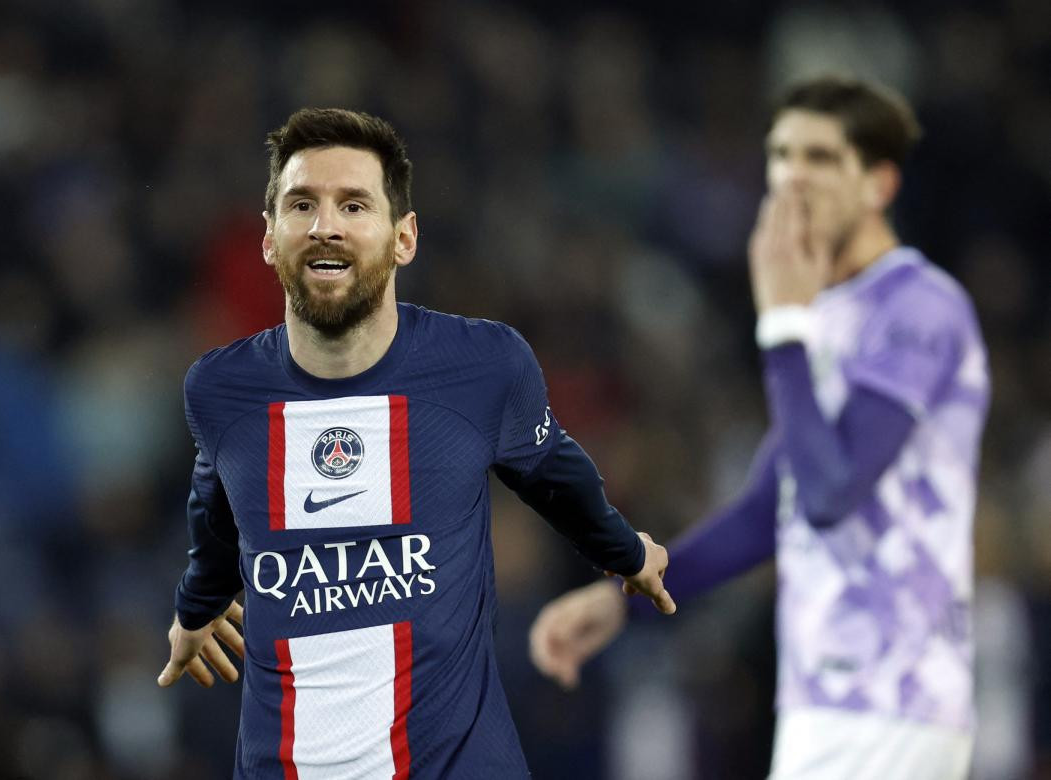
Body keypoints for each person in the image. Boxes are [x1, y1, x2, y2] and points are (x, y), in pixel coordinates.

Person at [155, 107, 677, 779]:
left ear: (404, 239)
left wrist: (625, 550)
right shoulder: (219, 389)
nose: (326, 226)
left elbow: (551, 467)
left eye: (353, 205)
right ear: (268, 238)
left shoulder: (485, 366)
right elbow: (215, 502)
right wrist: (196, 609)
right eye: (302, 204)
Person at [529, 76, 989, 779]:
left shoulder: (921, 309)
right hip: (826, 703)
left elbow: (833, 498)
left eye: (821, 158)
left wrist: (781, 323)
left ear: (879, 184)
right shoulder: (827, 316)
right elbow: (767, 510)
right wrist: (627, 596)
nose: (793, 177)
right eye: (781, 154)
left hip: (892, 701)